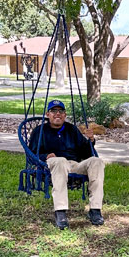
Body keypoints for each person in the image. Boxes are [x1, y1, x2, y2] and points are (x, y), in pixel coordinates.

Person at [29, 99, 106, 230]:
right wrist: (45, 156)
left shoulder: (72, 129)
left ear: (64, 115)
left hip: (73, 165)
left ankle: (95, 209)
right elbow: (31, 153)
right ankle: (60, 211)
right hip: (51, 164)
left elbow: (86, 152)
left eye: (61, 111)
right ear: (47, 114)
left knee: (97, 161)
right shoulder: (39, 131)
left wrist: (91, 140)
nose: (57, 114)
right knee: (60, 160)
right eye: (54, 111)